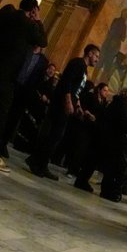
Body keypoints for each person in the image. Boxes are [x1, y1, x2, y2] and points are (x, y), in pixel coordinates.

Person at [26, 44, 99, 180]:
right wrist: (68, 101)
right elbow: (67, 83)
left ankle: (40, 162)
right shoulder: (76, 63)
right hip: (60, 105)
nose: (97, 59)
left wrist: (77, 105)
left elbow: (76, 89)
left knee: (55, 136)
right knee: (53, 135)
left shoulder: (84, 70)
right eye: (96, 56)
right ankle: (37, 163)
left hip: (67, 105)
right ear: (89, 53)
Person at [0, 0, 47, 171]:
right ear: (33, 10)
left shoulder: (7, 12)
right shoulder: (28, 24)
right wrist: (39, 20)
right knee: (2, 111)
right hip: (8, 74)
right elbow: (43, 41)